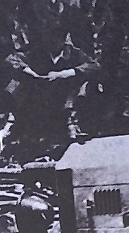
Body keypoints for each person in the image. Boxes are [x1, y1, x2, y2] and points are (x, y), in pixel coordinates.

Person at [2, 28, 101, 162]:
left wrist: (64, 74)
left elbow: (94, 66)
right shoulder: (38, 52)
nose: (51, 43)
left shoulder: (73, 53)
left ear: (63, 40)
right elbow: (12, 59)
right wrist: (29, 71)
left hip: (65, 95)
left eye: (55, 40)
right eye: (49, 39)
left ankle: (71, 129)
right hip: (40, 97)